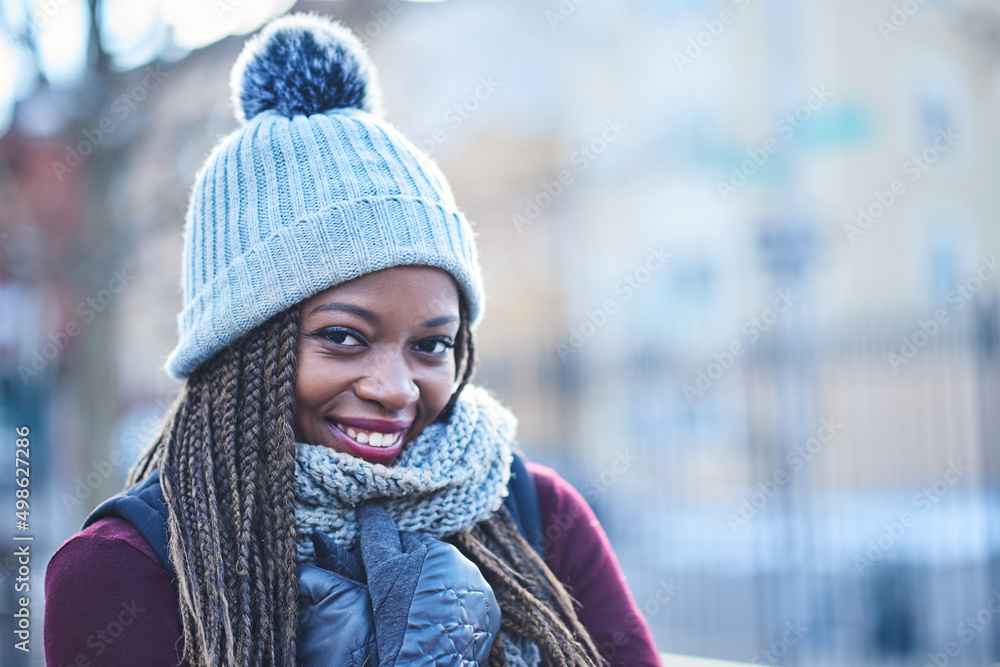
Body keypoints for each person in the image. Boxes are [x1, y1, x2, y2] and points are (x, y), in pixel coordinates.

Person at [43, 13, 661, 667]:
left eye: (432, 345)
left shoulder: (538, 518)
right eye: (343, 337)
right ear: (241, 348)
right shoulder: (118, 575)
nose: (395, 388)